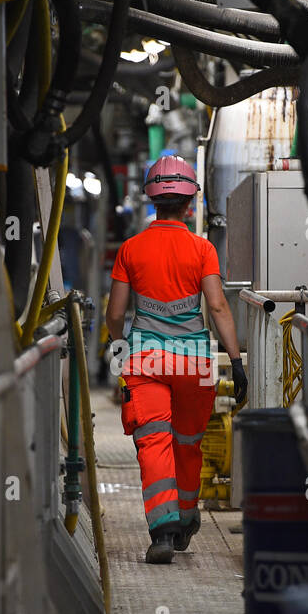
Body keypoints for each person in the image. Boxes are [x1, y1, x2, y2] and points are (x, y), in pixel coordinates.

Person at [106, 155, 248, 564]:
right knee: (188, 443)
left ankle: (164, 531)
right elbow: (219, 307)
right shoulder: (202, 249)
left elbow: (116, 315)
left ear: (152, 200)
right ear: (189, 204)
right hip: (195, 364)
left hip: (146, 362)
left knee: (154, 442)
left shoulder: (131, 249)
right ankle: (187, 518)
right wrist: (235, 361)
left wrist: (123, 344)